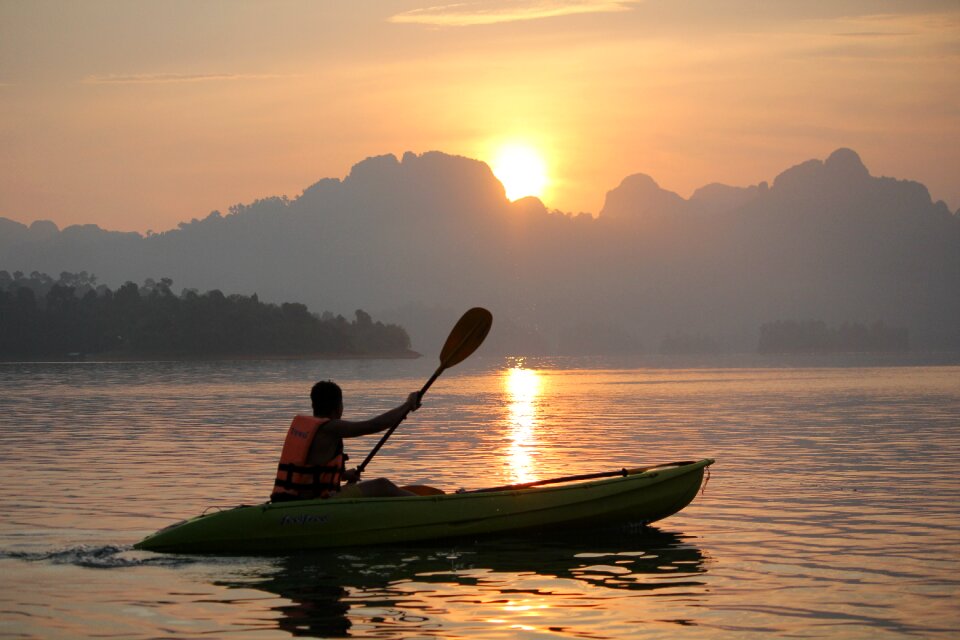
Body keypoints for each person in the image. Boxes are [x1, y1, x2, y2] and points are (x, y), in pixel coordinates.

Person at [270, 380, 420, 502]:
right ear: (338, 407)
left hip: (289, 500)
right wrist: (407, 405)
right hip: (313, 504)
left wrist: (342, 476)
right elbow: (372, 425)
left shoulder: (309, 427)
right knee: (383, 486)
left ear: (314, 405)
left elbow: (310, 470)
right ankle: (434, 507)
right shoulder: (330, 427)